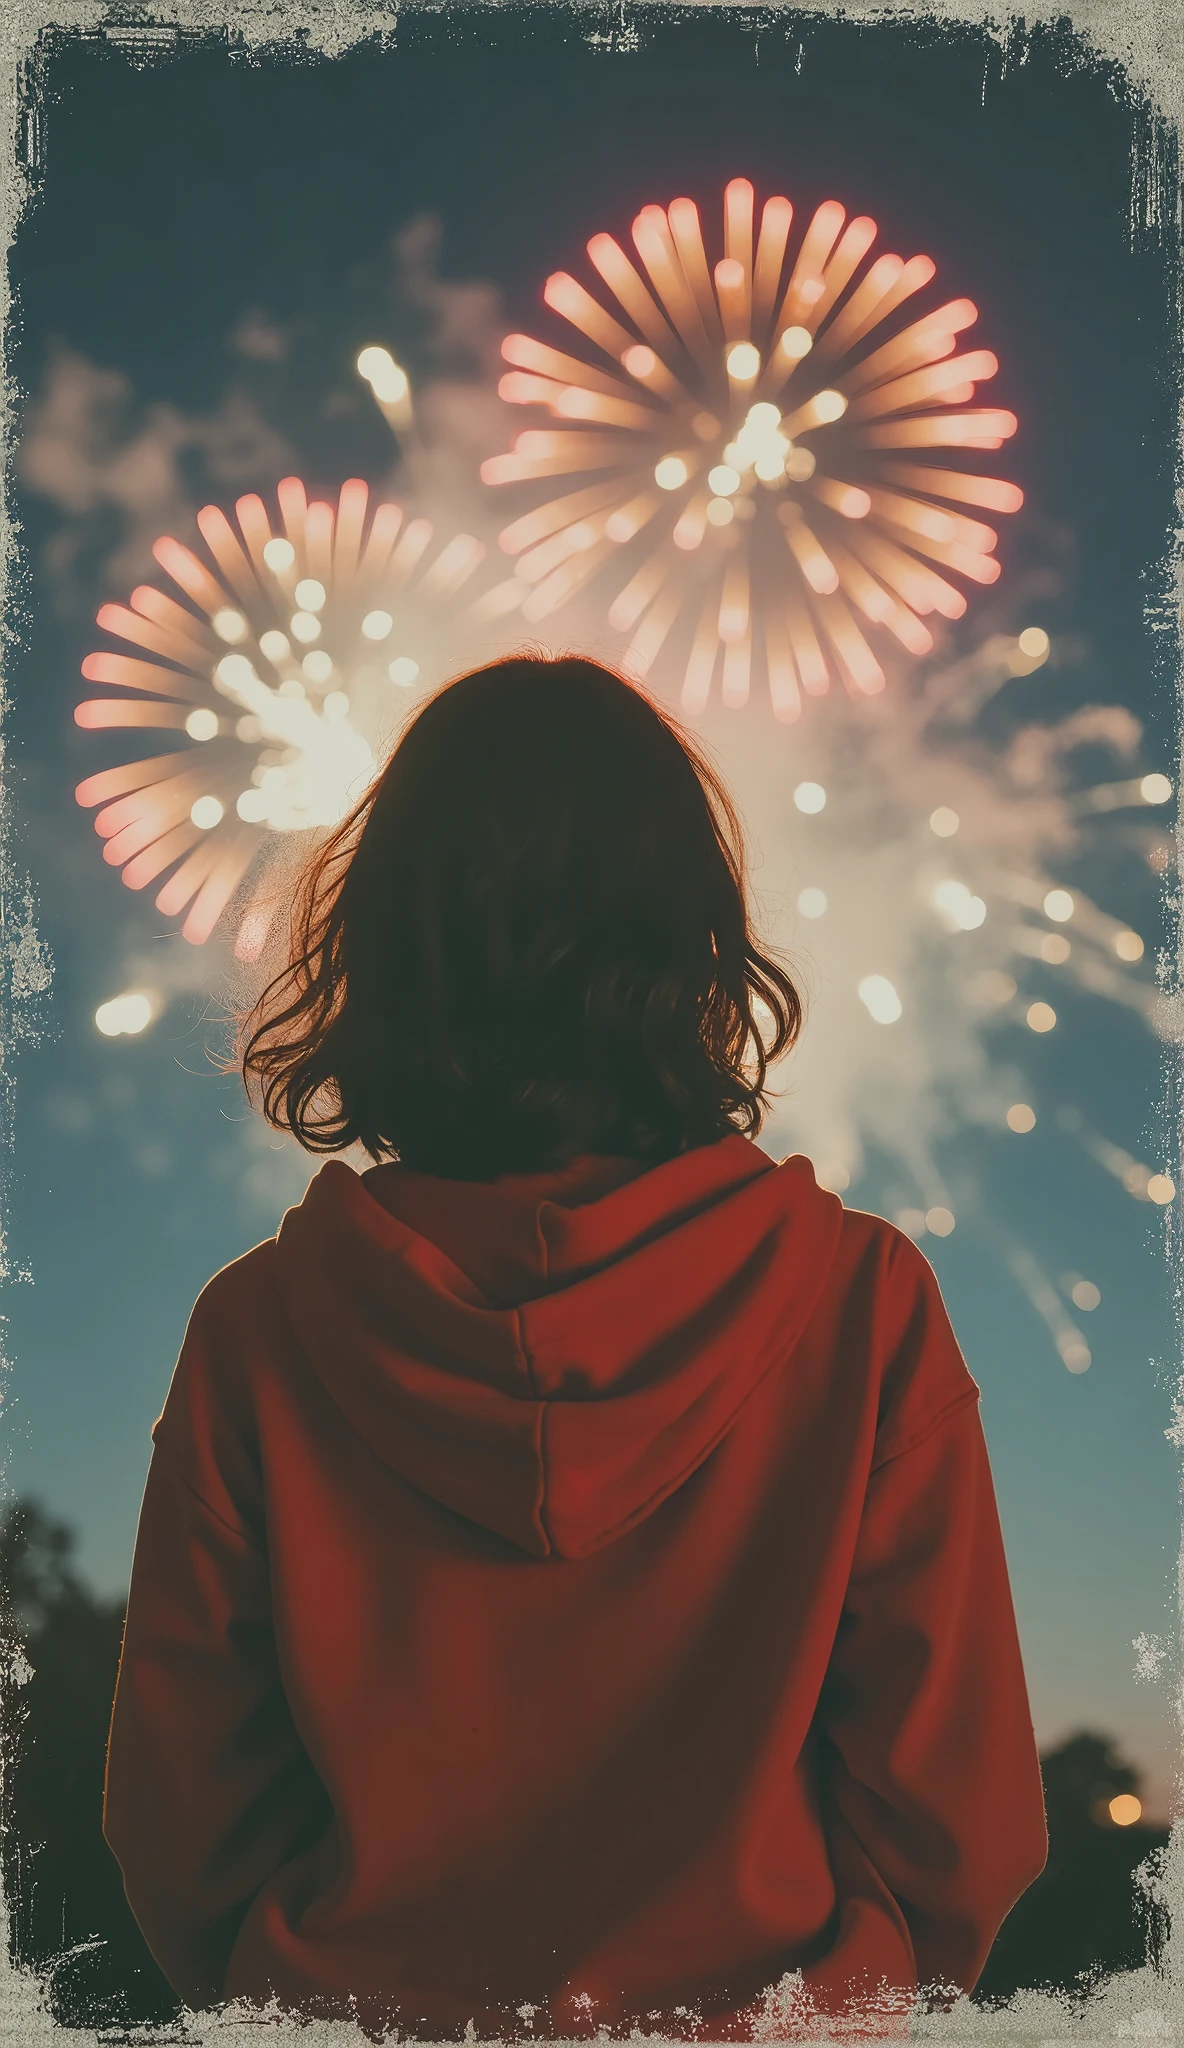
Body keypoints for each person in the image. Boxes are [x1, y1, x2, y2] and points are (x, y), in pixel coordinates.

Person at [103, 654, 1048, 2040]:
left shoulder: (258, 1331)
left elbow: (182, 1819)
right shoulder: (862, 1303)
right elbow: (957, 1829)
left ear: (386, 941)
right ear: (692, 944)